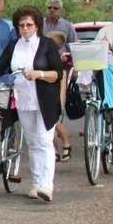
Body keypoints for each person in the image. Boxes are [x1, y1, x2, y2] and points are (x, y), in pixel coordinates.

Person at [0, 5, 64, 202]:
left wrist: (40, 74)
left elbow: (58, 73)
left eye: (29, 24)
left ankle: (47, 185)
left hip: (45, 99)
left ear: (37, 26)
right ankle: (37, 183)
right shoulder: (14, 45)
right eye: (21, 25)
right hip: (22, 99)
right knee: (32, 142)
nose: (25, 28)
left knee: (44, 140)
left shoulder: (47, 45)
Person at [45, 30, 73, 162]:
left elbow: (62, 85)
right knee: (50, 127)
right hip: (46, 96)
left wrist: (61, 100)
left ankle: (66, 143)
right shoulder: (46, 58)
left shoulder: (59, 63)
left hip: (55, 98)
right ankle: (54, 150)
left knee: (56, 123)